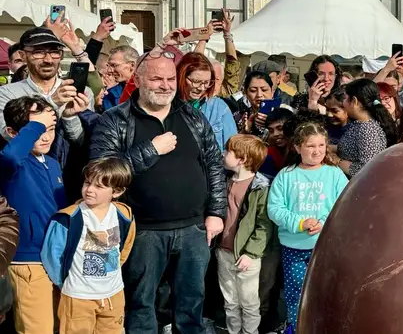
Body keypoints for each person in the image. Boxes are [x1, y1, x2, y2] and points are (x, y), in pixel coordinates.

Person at [89, 48, 227, 334]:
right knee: (142, 306)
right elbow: (102, 171)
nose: (165, 85)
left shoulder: (191, 116)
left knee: (191, 306)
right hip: (143, 231)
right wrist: (151, 150)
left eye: (169, 79)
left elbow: (214, 164)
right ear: (137, 80)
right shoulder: (116, 120)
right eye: (156, 79)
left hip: (193, 229)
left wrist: (216, 212)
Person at [267, 122, 348, 333]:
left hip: (324, 247)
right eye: (311, 146)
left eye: (321, 145)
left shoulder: (334, 174)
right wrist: (300, 223)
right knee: (297, 293)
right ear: (297, 147)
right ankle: (297, 327)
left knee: (326, 291)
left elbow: (343, 204)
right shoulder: (286, 176)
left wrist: (323, 222)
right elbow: (275, 209)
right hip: (294, 246)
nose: (317, 150)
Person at [41, 157, 135, 334]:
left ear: (117, 191)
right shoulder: (68, 218)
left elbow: (125, 247)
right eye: (87, 183)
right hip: (78, 298)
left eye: (99, 186)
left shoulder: (124, 214)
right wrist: (66, 284)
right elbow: (52, 256)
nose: (89, 190)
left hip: (113, 296)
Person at [0, 95, 64, 333]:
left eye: (50, 128)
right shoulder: (13, 163)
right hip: (27, 260)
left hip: (55, 258)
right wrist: (35, 124)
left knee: (58, 325)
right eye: (37, 129)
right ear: (13, 132)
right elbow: (10, 156)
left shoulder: (52, 163)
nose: (45, 136)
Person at [218, 135, 273, 334]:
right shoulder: (223, 181)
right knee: (230, 300)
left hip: (247, 256)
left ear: (242, 159)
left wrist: (251, 253)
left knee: (249, 302)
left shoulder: (260, 187)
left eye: (228, 151)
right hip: (224, 251)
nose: (223, 154)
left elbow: (263, 224)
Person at [177, 52, 237, 150]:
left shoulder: (219, 107)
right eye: (196, 82)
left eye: (206, 83)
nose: (201, 88)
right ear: (182, 76)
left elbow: (233, 148)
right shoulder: (168, 106)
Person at [339, 79, 397, 177]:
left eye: (345, 98)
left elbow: (367, 170)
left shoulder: (367, 129)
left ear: (354, 101)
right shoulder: (359, 124)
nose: (343, 103)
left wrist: (337, 161)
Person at [234, 71, 275, 137]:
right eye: (253, 90)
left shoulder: (284, 114)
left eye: (264, 90)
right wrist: (244, 132)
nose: (259, 95)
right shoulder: (239, 117)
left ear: (272, 92)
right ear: (246, 93)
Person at [259, 108, 294, 180]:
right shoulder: (267, 156)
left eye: (280, 128)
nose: (275, 134)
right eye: (271, 131)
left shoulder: (304, 153)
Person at [101, 46, 139, 110]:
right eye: (108, 66)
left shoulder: (146, 89)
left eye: (114, 65)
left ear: (132, 65)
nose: (109, 70)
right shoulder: (111, 94)